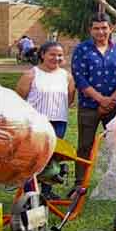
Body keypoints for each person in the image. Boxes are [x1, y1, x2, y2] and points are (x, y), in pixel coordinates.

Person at [16, 41, 75, 198]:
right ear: (43, 55)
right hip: (35, 124)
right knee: (33, 158)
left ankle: (48, 192)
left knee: (52, 158)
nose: (56, 58)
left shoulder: (66, 76)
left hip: (58, 122)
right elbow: (19, 99)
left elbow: (69, 99)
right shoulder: (31, 74)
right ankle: (30, 192)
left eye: (60, 55)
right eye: (52, 54)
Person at [71, 13, 116, 186]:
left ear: (110, 28)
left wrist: (112, 100)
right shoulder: (82, 50)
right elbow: (79, 78)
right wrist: (101, 99)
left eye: (104, 28)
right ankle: (80, 182)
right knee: (85, 145)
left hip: (113, 106)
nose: (100, 32)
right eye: (96, 28)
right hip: (88, 106)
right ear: (90, 30)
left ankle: (113, 181)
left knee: (113, 145)